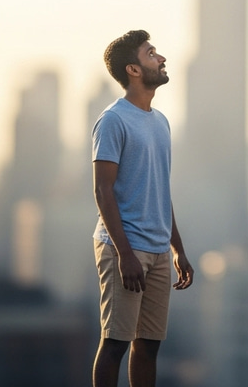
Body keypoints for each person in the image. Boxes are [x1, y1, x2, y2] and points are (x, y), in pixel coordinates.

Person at [92, 29, 193, 387]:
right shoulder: (113, 120)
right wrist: (124, 255)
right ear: (133, 70)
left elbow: (160, 193)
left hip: (157, 249)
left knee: (148, 346)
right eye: (152, 54)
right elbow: (103, 191)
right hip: (125, 248)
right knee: (116, 343)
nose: (162, 58)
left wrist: (177, 249)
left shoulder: (161, 122)